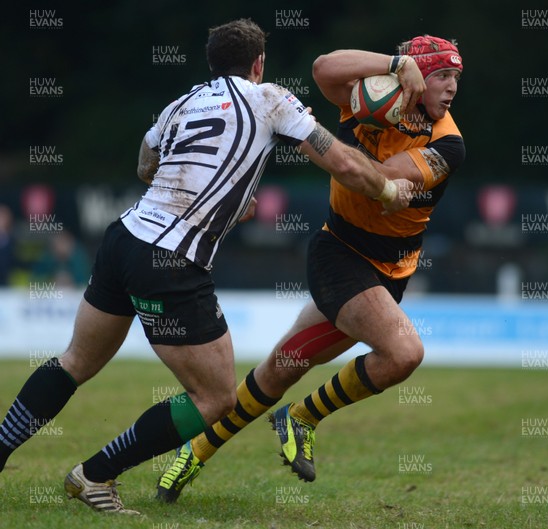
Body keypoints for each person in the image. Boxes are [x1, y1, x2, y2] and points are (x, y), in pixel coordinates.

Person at [0, 19, 416, 515]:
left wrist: (203, 188)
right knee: (215, 398)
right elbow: (341, 162)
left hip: (125, 238)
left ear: (212, 62)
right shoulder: (268, 99)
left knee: (75, 361)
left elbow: (144, 164)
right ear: (258, 64)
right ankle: (94, 475)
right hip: (171, 261)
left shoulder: (183, 102)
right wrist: (388, 189)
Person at [156, 34, 465, 502]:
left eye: (456, 78)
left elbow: (380, 180)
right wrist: (392, 65)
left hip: (390, 273)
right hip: (340, 255)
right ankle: (301, 417)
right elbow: (324, 66)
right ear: (415, 76)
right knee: (403, 354)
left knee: (280, 369)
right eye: (442, 75)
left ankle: (194, 451)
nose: (452, 87)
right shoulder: (372, 94)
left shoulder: (449, 143)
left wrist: (343, 130)